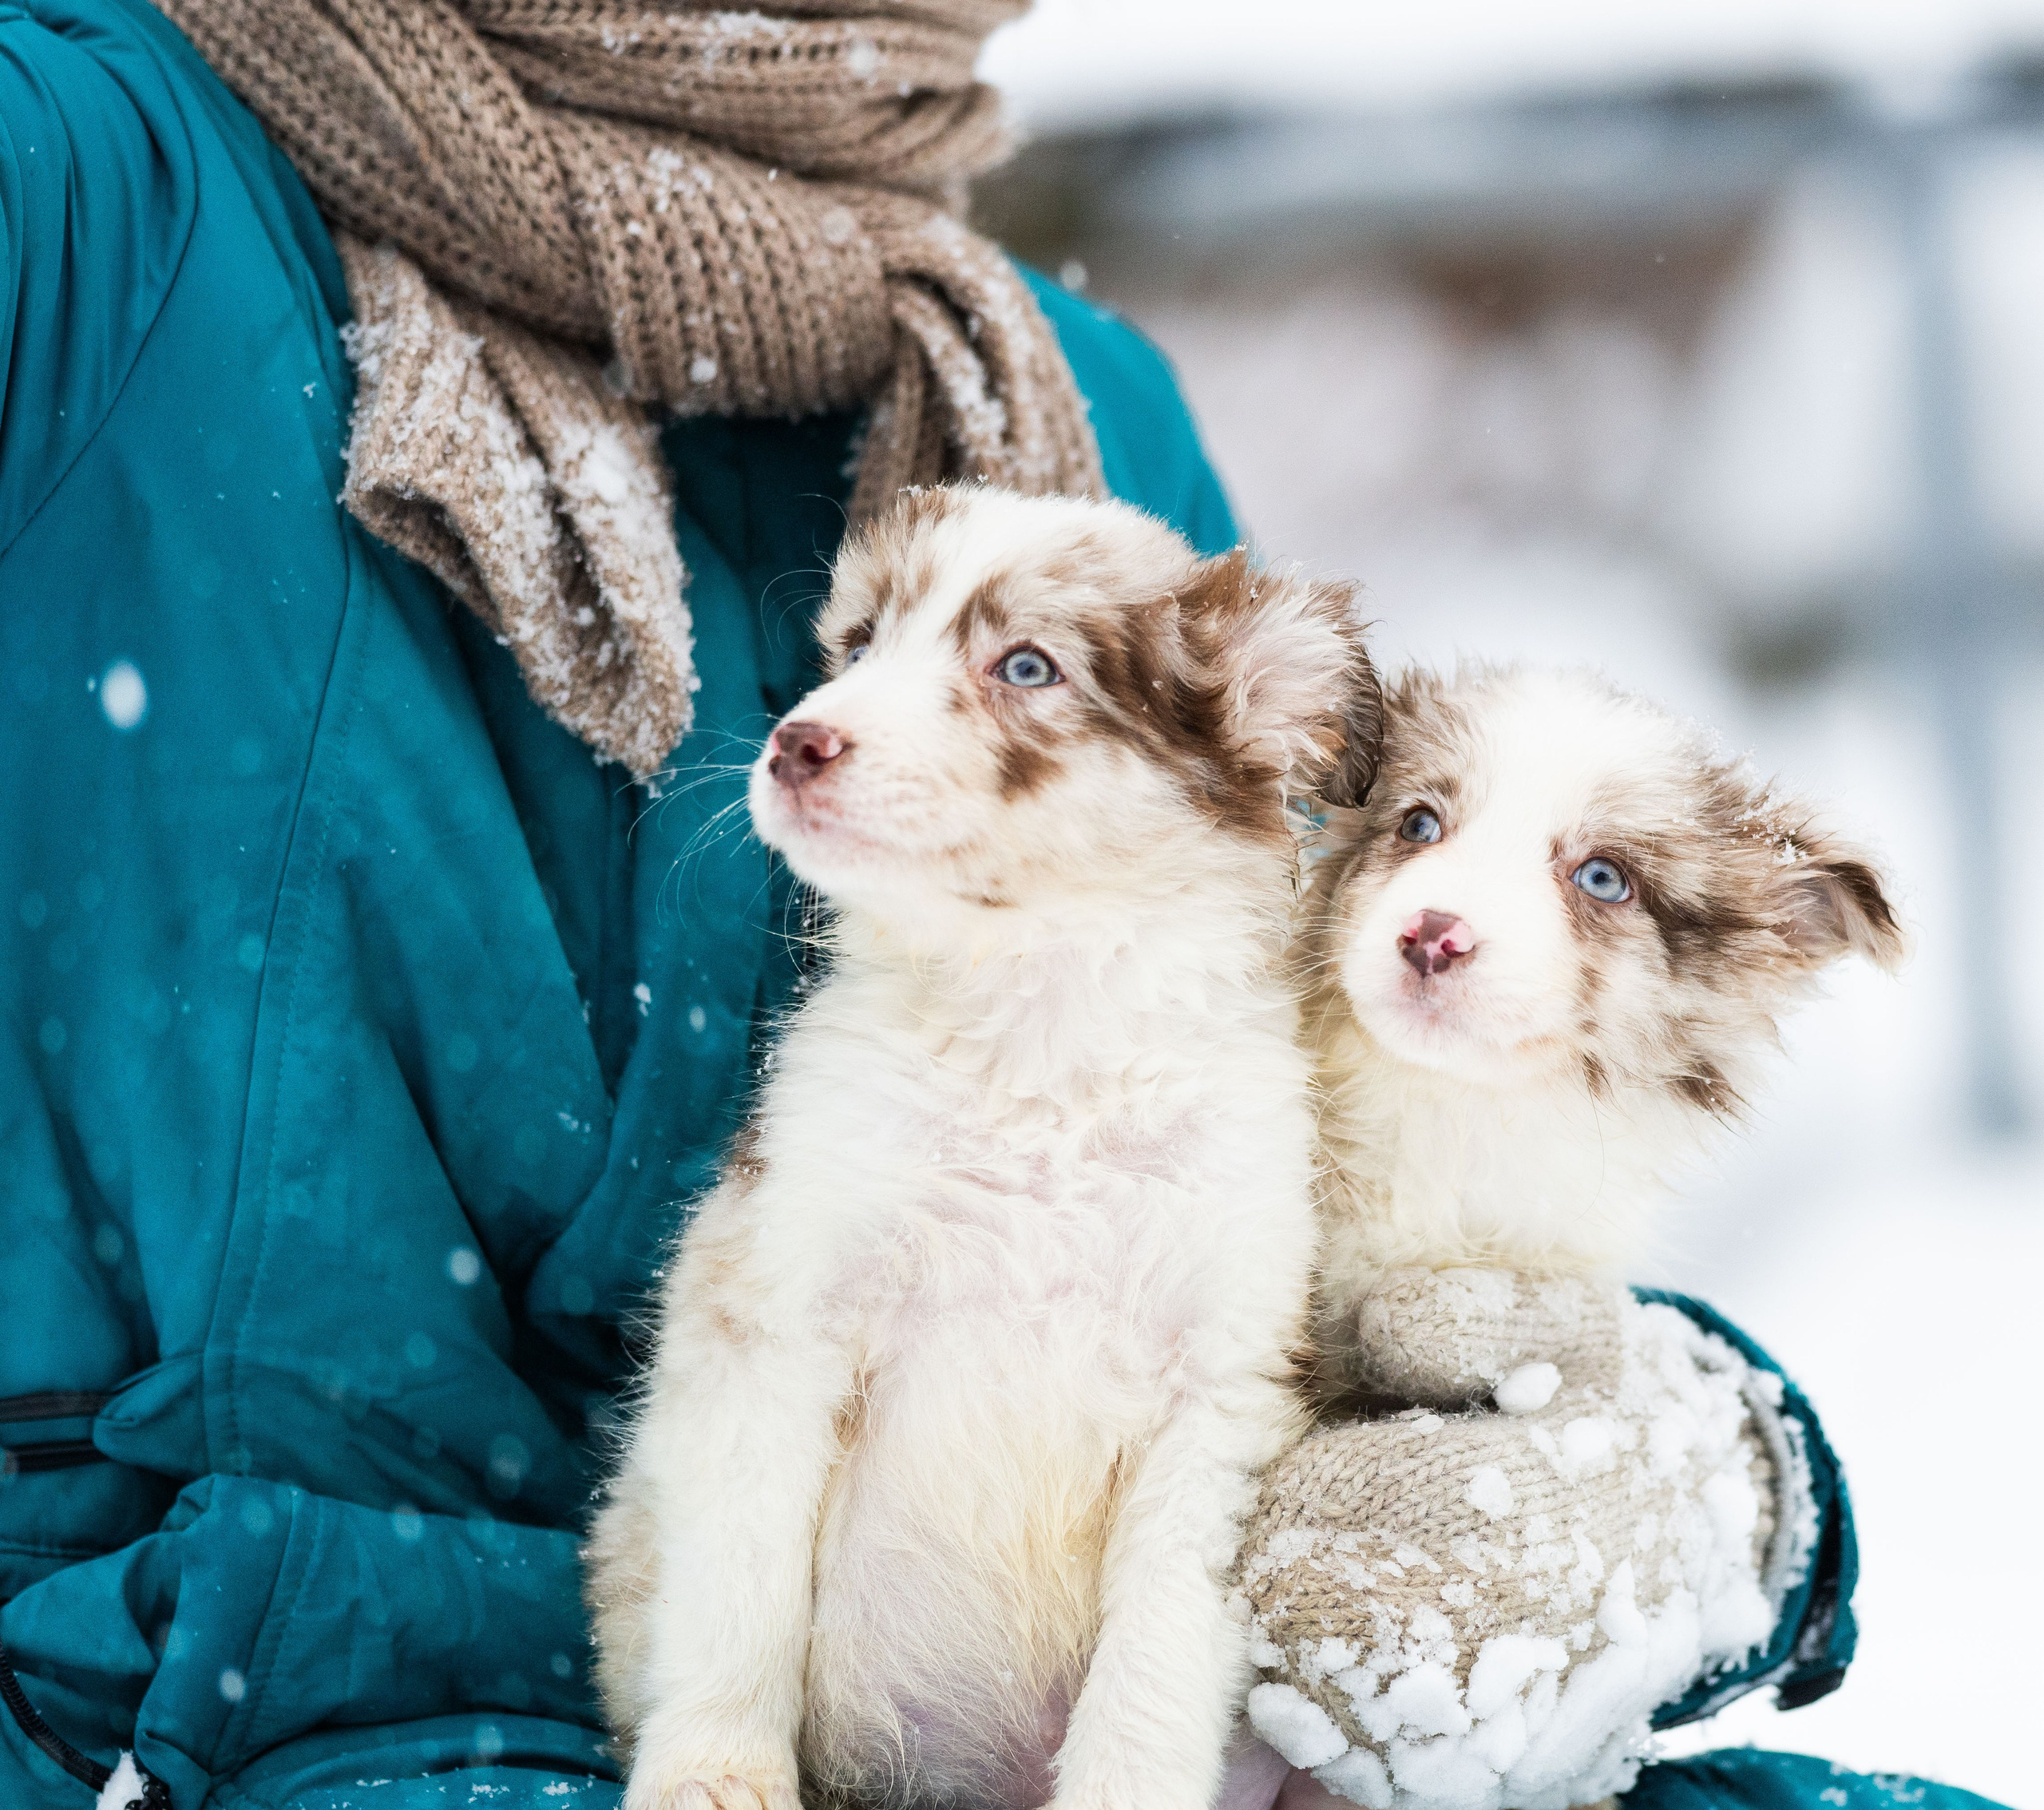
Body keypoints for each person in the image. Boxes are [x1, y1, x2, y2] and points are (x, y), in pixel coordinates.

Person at [0, 5, 2004, 1808]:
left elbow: (1349, 1157)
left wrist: (1705, 1484)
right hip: (205, 1713)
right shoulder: (91, 200)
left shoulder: (1066, 410)